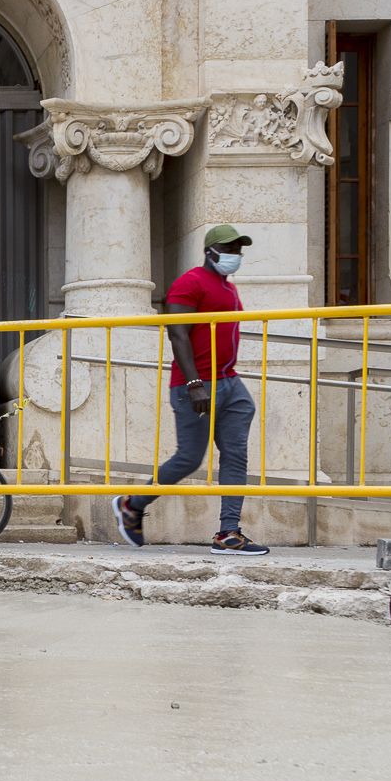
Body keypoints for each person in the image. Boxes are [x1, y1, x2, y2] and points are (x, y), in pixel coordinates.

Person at [113, 225, 269, 556]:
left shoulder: (228, 288)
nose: (235, 255)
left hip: (230, 382)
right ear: (210, 251)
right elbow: (177, 334)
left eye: (239, 250)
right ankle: (132, 504)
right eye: (229, 249)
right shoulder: (190, 282)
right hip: (195, 384)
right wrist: (194, 382)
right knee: (189, 458)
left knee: (236, 454)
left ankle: (229, 533)